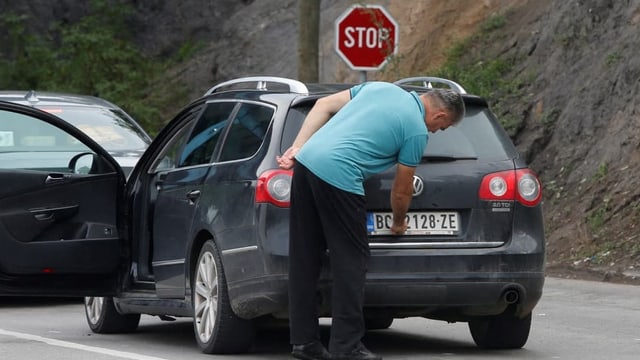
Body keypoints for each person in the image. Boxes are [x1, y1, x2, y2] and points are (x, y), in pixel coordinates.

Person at [277, 81, 465, 360]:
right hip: (338, 175)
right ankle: (346, 346)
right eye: (443, 126)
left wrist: (297, 147)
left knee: (305, 257)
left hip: (306, 165)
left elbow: (323, 105)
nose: (438, 131)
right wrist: (398, 223)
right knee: (351, 261)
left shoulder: (380, 87)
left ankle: (304, 343)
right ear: (439, 115)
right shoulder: (415, 130)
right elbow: (402, 190)